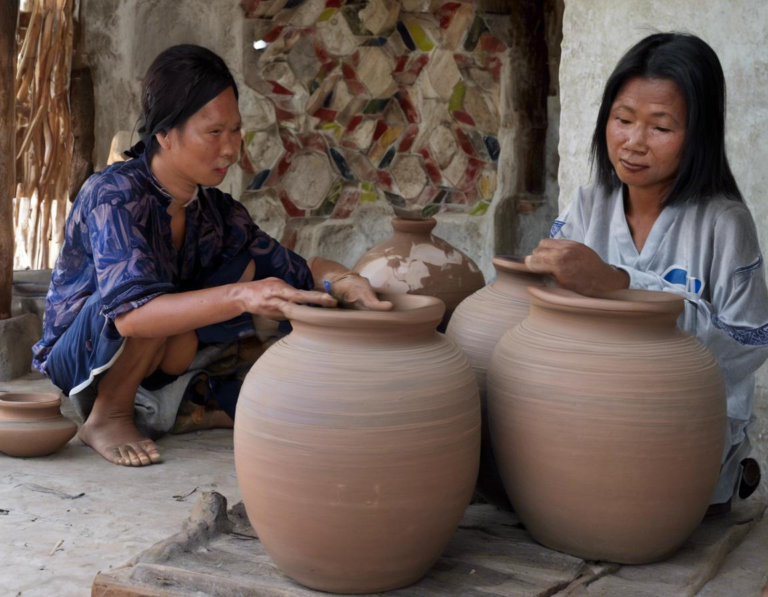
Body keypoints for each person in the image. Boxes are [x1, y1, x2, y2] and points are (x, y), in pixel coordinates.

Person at [32, 45, 391, 468]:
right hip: (81, 354)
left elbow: (304, 270)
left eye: (236, 130)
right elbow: (133, 317)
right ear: (165, 134)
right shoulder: (114, 194)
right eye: (215, 132)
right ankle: (108, 416)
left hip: (160, 353)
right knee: (155, 301)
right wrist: (243, 296)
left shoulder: (215, 212)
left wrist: (346, 280)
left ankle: (179, 402)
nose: (230, 148)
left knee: (246, 270)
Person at [526, 32, 768, 511]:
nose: (634, 142)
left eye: (660, 127)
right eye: (622, 120)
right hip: (584, 415)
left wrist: (621, 286)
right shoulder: (588, 207)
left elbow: (748, 344)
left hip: (681, 437)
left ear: (697, 134)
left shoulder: (724, 223)